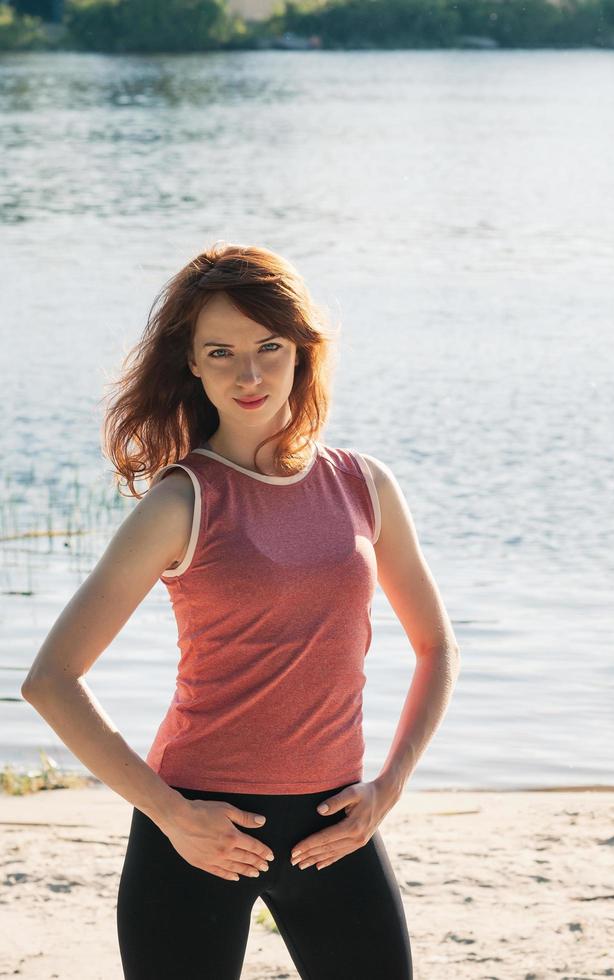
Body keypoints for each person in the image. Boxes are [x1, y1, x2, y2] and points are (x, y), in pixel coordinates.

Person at [21, 243, 461, 980]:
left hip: (336, 827)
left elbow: (435, 646)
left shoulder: (363, 485)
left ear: (302, 351)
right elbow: (51, 680)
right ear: (190, 363)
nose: (248, 375)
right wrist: (171, 816)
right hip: (197, 831)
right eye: (220, 352)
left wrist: (388, 787)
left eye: (268, 347)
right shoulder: (181, 502)